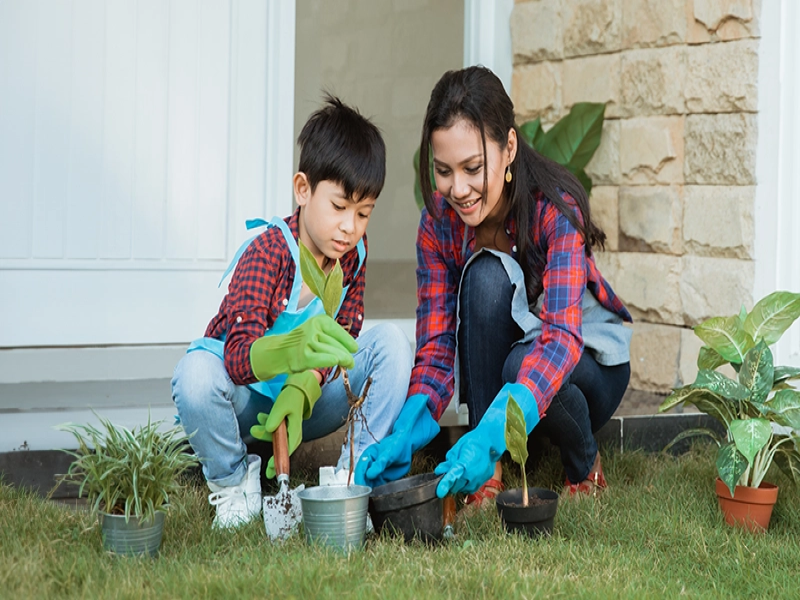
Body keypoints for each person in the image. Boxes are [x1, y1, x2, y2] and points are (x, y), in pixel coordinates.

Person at [355, 66, 631, 503]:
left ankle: (583, 464)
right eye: (443, 170)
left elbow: (560, 340)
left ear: (509, 148)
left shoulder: (554, 210)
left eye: (473, 167)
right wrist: (408, 427)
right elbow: (437, 346)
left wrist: (485, 432)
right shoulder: (438, 225)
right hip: (514, 386)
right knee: (483, 277)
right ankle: (488, 474)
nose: (458, 188)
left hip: (589, 366)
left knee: (523, 361)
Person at [172, 95, 412, 529]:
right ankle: (232, 482)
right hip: (247, 403)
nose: (350, 226)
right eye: (339, 207)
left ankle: (350, 478)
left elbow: (346, 332)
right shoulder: (268, 253)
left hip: (309, 403)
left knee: (392, 343)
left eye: (364, 213)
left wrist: (302, 387)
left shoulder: (352, 254)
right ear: (303, 190)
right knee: (194, 376)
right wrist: (289, 353)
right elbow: (238, 357)